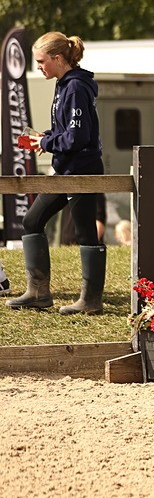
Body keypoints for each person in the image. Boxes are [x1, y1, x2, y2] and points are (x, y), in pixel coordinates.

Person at [6, 32, 106, 315]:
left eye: (41, 61)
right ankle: (38, 293)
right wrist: (47, 137)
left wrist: (47, 143)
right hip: (66, 168)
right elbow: (68, 132)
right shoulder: (64, 84)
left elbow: (77, 137)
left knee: (86, 232)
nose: (38, 66)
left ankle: (91, 301)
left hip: (81, 170)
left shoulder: (74, 87)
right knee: (32, 220)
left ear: (58, 58)